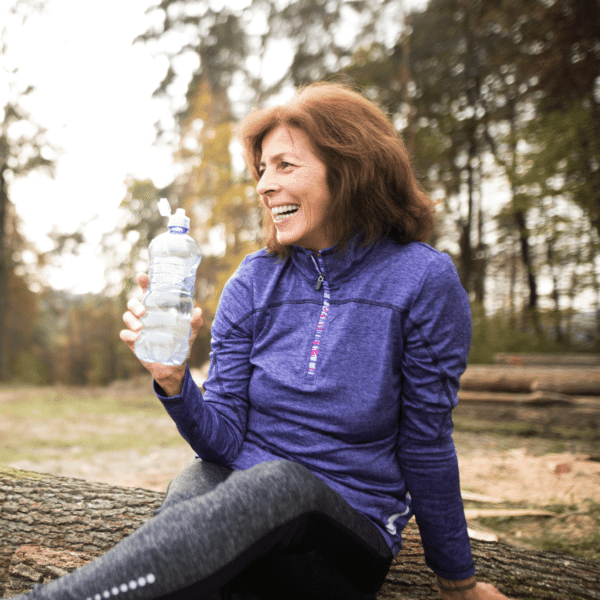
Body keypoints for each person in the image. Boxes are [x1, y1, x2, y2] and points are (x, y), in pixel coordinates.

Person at [16, 82, 513, 600]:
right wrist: (173, 379)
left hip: (344, 535)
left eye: (285, 166)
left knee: (278, 483)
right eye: (262, 170)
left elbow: (426, 442)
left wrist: (458, 581)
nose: (263, 186)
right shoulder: (252, 282)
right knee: (198, 479)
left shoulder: (421, 281)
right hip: (244, 518)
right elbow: (223, 439)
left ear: (349, 169)